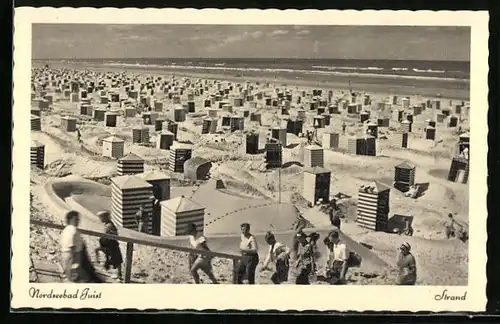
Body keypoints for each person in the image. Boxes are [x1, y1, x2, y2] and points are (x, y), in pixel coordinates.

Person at [60, 210, 103, 283]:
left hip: (74, 257)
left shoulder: (66, 229)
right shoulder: (72, 230)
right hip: (75, 258)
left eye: (78, 219)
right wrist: (75, 264)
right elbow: (71, 247)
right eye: (75, 219)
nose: (77, 221)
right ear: (70, 220)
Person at [94, 211, 123, 280]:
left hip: (111, 245)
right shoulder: (106, 224)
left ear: (105, 217)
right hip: (107, 245)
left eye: (101, 217)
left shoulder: (109, 225)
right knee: (115, 259)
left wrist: (110, 233)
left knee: (117, 259)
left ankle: (119, 274)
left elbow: (115, 234)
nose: (100, 219)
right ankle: (102, 262)